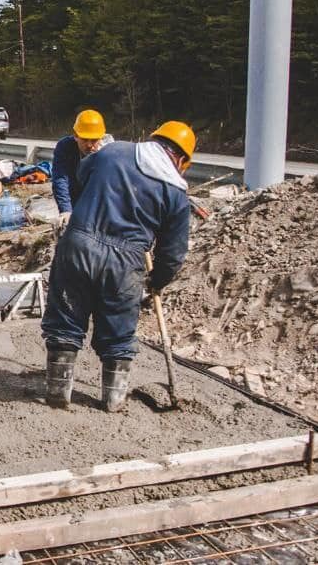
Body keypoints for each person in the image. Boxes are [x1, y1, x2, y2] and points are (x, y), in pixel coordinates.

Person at [41, 121, 196, 412]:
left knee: (65, 321)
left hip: (79, 245)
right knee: (119, 332)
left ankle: (57, 394)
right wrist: (156, 281)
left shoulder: (113, 152)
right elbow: (173, 253)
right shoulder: (176, 195)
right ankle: (113, 401)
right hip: (125, 263)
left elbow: (83, 176)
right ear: (181, 159)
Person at [51, 109, 112, 231]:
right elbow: (60, 179)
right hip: (76, 194)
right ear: (76, 135)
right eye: (84, 139)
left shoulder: (110, 150)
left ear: (101, 137)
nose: (89, 145)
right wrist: (66, 210)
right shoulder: (65, 147)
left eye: (94, 140)